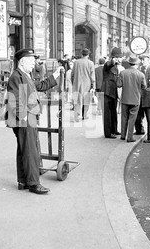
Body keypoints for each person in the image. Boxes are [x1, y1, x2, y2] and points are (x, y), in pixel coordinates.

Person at [6, 48, 61, 195]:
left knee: (24, 149)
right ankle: (34, 184)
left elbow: (38, 87)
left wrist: (54, 76)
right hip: (24, 119)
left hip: (27, 117)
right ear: (22, 61)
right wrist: (24, 116)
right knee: (31, 150)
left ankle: (23, 181)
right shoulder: (16, 77)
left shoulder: (25, 75)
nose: (33, 64)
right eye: (31, 61)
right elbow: (15, 99)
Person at [117, 56, 146, 142]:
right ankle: (130, 137)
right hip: (135, 99)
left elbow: (118, 85)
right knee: (132, 119)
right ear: (137, 64)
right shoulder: (141, 74)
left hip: (125, 99)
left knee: (124, 117)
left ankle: (123, 135)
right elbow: (144, 87)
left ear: (129, 63)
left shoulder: (123, 73)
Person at [102, 47, 123, 139]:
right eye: (117, 57)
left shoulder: (116, 67)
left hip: (113, 92)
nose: (119, 59)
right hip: (107, 91)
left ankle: (114, 130)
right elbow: (108, 64)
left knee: (113, 112)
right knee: (107, 113)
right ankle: (108, 133)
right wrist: (113, 61)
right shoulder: (108, 64)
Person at [71, 48, 95, 121]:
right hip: (87, 84)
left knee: (77, 100)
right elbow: (92, 76)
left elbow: (72, 74)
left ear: (82, 54)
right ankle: (85, 115)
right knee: (86, 100)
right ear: (88, 54)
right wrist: (93, 85)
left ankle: (76, 115)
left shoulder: (76, 62)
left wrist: (73, 82)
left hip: (77, 83)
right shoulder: (91, 63)